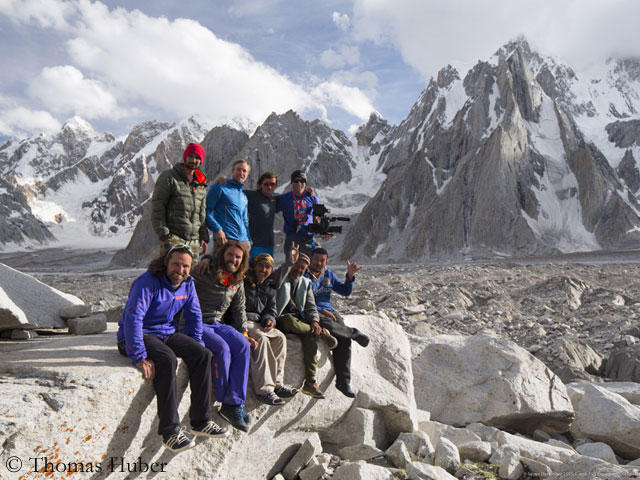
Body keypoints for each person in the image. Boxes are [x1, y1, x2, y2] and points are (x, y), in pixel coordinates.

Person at [116, 244, 228, 453]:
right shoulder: (147, 282)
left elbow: (194, 316)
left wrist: (195, 345)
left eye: (186, 266)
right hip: (137, 335)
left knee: (203, 354)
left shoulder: (188, 284)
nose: (181, 269)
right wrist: (139, 355)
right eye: (176, 264)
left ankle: (200, 421)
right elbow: (133, 318)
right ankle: (170, 432)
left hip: (165, 333)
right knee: (167, 358)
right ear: (166, 262)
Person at [190, 241, 254, 432]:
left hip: (217, 323)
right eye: (230, 255)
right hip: (198, 322)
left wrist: (244, 333)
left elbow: (239, 309)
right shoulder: (205, 270)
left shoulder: (237, 280)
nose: (233, 259)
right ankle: (225, 400)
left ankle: (234, 404)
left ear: (242, 261)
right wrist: (206, 258)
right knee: (222, 348)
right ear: (221, 255)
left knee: (243, 345)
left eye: (237, 257)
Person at [306, 248, 370, 398]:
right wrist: (320, 311)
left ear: (326, 262)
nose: (318, 263)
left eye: (322, 260)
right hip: (311, 309)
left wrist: (350, 276)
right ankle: (354, 332)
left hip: (329, 310)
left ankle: (343, 382)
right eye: (316, 259)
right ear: (310, 259)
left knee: (344, 339)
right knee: (328, 323)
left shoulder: (328, 275)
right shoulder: (303, 273)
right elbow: (298, 298)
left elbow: (344, 291)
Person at [275, 253, 338, 399]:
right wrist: (289, 263)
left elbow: (311, 306)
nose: (298, 269)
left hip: (300, 320)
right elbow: (275, 281)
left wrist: (315, 321)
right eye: (296, 265)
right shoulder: (281, 276)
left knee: (310, 338)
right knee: (290, 320)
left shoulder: (305, 283)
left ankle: (310, 382)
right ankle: (321, 333)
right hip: (279, 318)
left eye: (302, 268)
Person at [244, 249, 299, 405]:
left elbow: (271, 309)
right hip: (244, 321)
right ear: (254, 266)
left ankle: (278, 383)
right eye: (260, 266)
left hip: (260, 323)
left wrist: (270, 320)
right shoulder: (245, 282)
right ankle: (264, 390)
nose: (263, 270)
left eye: (267, 267)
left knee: (280, 338)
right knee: (262, 340)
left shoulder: (270, 286)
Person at [150, 143, 209, 258]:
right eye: (191, 156)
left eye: (197, 157)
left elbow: (201, 214)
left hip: (194, 242)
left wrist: (203, 237)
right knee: (170, 274)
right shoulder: (169, 177)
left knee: (189, 274)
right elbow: (158, 206)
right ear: (185, 157)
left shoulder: (201, 183)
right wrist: (165, 235)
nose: (193, 160)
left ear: (201, 161)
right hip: (174, 239)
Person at [206, 159, 251, 252]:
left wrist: (249, 240)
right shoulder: (219, 187)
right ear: (233, 171)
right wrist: (218, 230)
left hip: (243, 241)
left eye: (244, 171)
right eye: (238, 169)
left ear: (247, 174)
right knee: (220, 266)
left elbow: (245, 220)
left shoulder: (243, 196)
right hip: (225, 239)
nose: (241, 173)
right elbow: (205, 210)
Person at [276, 170, 321, 257]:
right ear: (292, 182)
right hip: (292, 238)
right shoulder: (283, 198)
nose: (299, 183)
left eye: (302, 181)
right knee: (292, 265)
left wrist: (322, 230)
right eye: (296, 181)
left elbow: (316, 219)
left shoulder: (313, 198)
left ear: (305, 183)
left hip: (308, 237)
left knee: (318, 260)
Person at [244, 172, 278, 260]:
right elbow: (235, 190)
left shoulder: (276, 198)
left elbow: (292, 197)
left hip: (269, 244)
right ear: (260, 185)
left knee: (266, 271)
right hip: (254, 244)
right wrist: (225, 182)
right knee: (252, 271)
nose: (269, 187)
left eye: (272, 184)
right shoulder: (251, 195)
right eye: (266, 184)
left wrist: (306, 192)